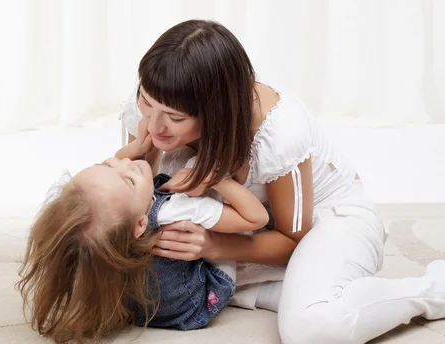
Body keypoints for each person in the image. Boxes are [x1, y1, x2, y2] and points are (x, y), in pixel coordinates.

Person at [119, 19, 445, 344]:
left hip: (322, 223)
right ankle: (290, 289)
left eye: (175, 118)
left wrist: (212, 245)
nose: (155, 125)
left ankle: (431, 290)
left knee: (313, 329)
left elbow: (292, 239)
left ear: (217, 113)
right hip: (244, 231)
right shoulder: (153, 106)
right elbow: (137, 202)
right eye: (146, 102)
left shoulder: (280, 133)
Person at [16, 131, 276, 343]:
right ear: (141, 224)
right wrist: (217, 180)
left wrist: (125, 157)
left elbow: (119, 185)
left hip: (140, 307)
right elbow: (256, 218)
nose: (125, 162)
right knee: (196, 168)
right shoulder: (179, 210)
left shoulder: (104, 239)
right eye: (128, 180)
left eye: (108, 165)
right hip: (199, 300)